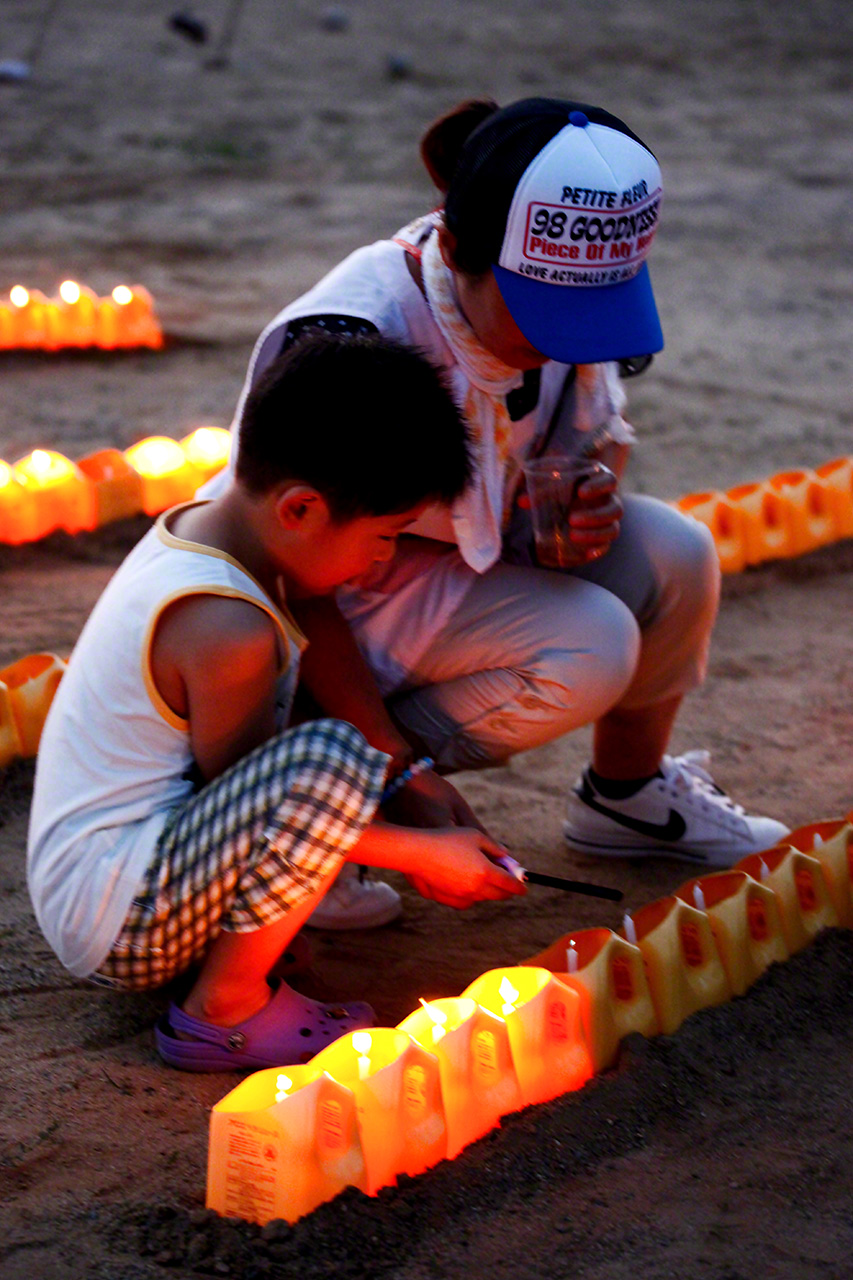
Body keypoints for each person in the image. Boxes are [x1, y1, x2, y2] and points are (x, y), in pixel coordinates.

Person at [210, 96, 789, 930]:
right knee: (590, 641)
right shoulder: (352, 347)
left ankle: (625, 798)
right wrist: (397, 772)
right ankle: (321, 809)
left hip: (435, 573)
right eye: (545, 311)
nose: (567, 342)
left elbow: (587, 439)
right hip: (313, 611)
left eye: (595, 311)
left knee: (674, 552)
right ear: (452, 250)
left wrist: (581, 507)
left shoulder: (548, 324)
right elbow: (289, 582)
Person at [27, 333, 524, 1073]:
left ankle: (230, 972)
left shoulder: (216, 534)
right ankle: (222, 1012)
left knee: (337, 757)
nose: (384, 559)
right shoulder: (225, 627)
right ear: (299, 509)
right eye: (385, 536)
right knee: (330, 757)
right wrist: (418, 853)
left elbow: (265, 799)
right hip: (117, 917)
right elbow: (269, 799)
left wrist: (401, 790)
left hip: (113, 883)